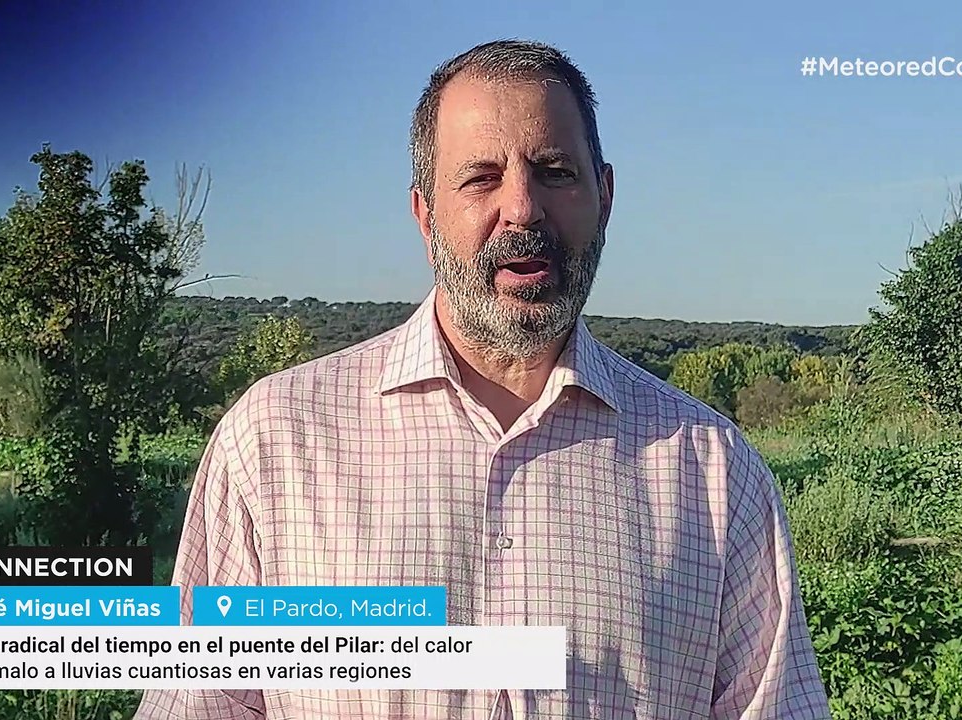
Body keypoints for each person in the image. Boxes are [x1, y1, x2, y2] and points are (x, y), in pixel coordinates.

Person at [136, 39, 829, 720]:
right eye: (481, 177)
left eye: (555, 171)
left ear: (605, 197)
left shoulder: (712, 470)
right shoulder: (275, 441)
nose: (523, 208)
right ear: (425, 216)